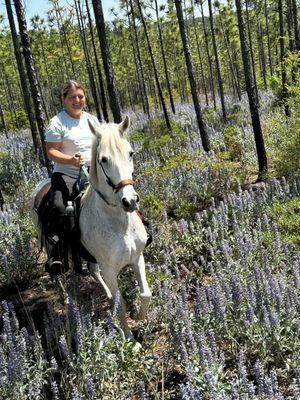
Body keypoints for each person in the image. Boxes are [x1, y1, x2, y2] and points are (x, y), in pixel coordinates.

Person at [43, 80, 98, 274]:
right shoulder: (57, 122)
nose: (77, 100)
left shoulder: (92, 120)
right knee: (58, 208)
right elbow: (51, 152)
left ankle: (141, 229)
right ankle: (56, 255)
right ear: (64, 100)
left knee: (123, 192)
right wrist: (71, 160)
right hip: (66, 175)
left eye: (80, 96)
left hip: (93, 174)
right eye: (72, 97)